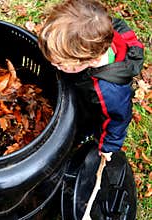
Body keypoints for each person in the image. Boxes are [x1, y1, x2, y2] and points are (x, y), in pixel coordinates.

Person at [38, 0, 144, 156]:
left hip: (89, 111)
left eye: (61, 63)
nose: (54, 65)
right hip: (83, 84)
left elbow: (117, 120)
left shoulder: (109, 91)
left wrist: (108, 147)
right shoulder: (96, 33)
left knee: (80, 127)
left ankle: (78, 136)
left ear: (92, 60)